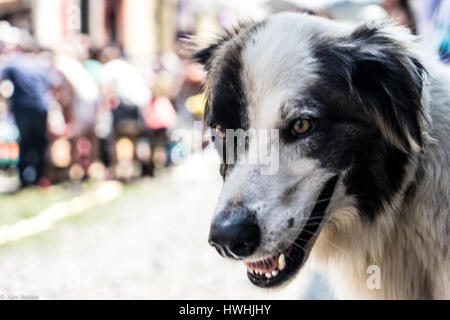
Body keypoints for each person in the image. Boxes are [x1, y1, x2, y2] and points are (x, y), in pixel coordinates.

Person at [0, 49, 53, 188]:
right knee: (39, 143)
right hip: (41, 107)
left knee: (25, 143)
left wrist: (5, 100)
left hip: (22, 108)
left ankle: (24, 179)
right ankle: (39, 177)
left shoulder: (14, 63)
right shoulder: (40, 65)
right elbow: (48, 86)